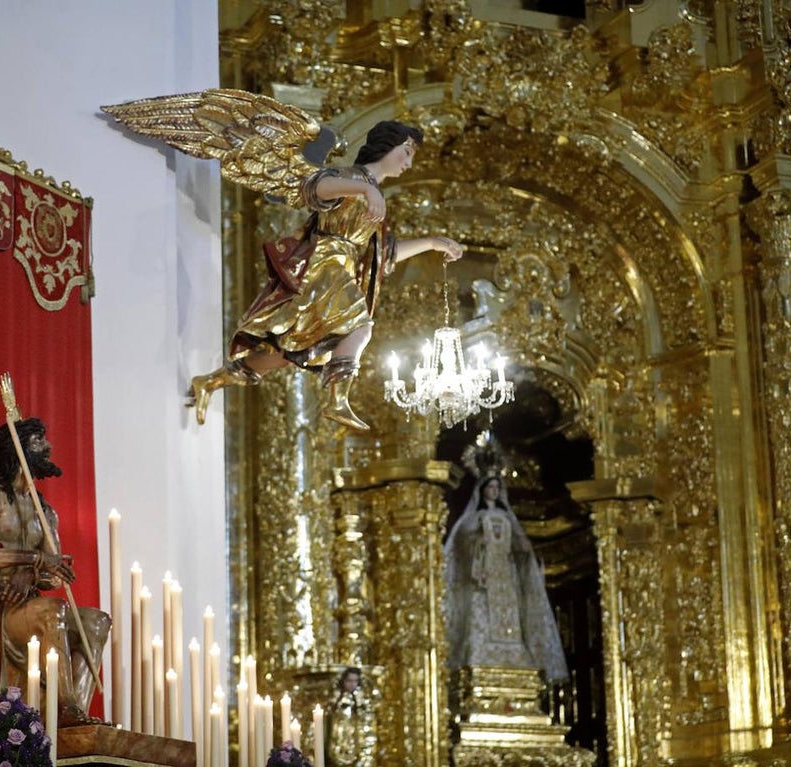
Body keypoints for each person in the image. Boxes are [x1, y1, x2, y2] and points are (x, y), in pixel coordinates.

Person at [184, 120, 464, 432]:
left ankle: (209, 381)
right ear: (388, 145)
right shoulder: (350, 177)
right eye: (407, 152)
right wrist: (365, 188)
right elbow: (315, 187)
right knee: (359, 327)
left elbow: (383, 254)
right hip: (324, 263)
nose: (409, 163)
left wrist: (432, 243)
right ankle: (337, 402)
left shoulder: (370, 193)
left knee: (284, 354)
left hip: (343, 267)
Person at [0, 418, 110, 725]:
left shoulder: (45, 511)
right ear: (17, 449)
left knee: (97, 621)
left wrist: (38, 570)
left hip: (28, 601)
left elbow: (54, 575)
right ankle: (65, 710)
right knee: (54, 611)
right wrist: (34, 560)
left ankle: (74, 713)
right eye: (38, 442)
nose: (48, 447)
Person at [444, 475, 569, 683]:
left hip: (506, 574)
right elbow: (462, 542)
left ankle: (514, 653)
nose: (494, 491)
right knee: (482, 611)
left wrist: (528, 559)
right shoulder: (476, 517)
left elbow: (520, 545)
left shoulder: (507, 517)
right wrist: (478, 544)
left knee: (511, 614)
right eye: (490, 486)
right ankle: (481, 652)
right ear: (482, 490)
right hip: (484, 573)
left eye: (497, 487)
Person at [327, 667, 370, 767]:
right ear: (343, 681)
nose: (352, 684)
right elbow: (330, 712)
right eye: (349, 681)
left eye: (355, 681)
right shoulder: (337, 695)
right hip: (339, 730)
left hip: (355, 732)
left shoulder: (360, 696)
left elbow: (365, 713)